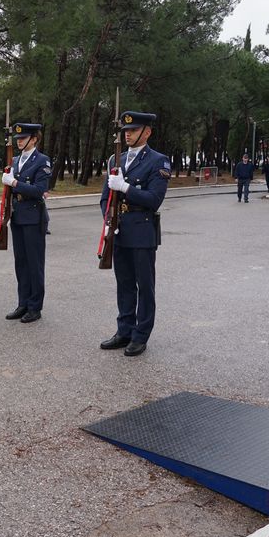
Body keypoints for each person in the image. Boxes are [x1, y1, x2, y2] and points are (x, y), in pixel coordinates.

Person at [98, 111, 170, 357]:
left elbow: (154, 199)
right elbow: (105, 198)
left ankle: (141, 335)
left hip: (142, 231)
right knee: (124, 284)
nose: (127, 134)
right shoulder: (114, 159)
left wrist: (126, 187)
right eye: (125, 131)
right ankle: (124, 330)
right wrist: (108, 220)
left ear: (147, 132)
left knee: (144, 286)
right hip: (119, 230)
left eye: (133, 130)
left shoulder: (158, 161)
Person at [2, 123, 50, 323]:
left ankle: (35, 306)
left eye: (24, 138)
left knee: (34, 263)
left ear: (34, 139)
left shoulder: (42, 160)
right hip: (18, 215)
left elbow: (39, 190)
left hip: (33, 216)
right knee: (21, 262)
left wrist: (14, 183)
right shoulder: (13, 160)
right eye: (18, 138)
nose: (19, 141)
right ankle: (23, 303)